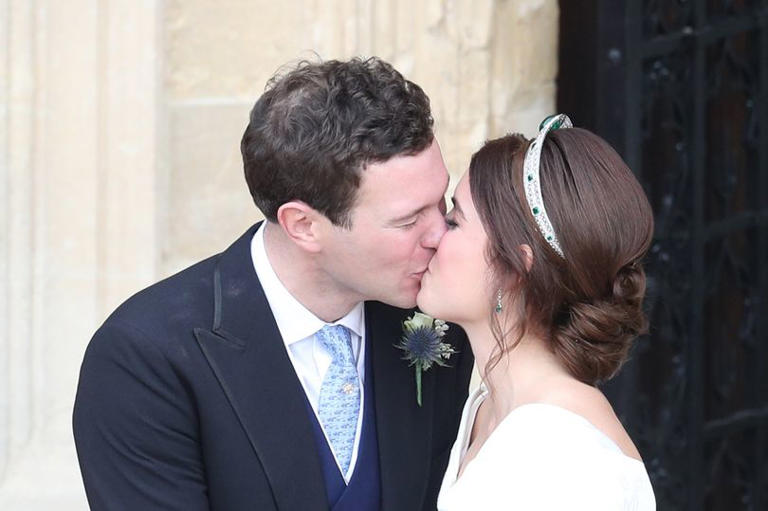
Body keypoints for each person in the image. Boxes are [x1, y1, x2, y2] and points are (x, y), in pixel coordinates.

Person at [73, 57, 473, 511]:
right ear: (302, 225)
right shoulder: (145, 359)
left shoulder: (438, 321)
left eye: (439, 201)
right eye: (407, 220)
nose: (439, 234)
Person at [417, 115, 656, 510]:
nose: (433, 236)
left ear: (513, 269)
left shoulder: (560, 455)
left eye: (454, 220)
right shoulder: (487, 406)